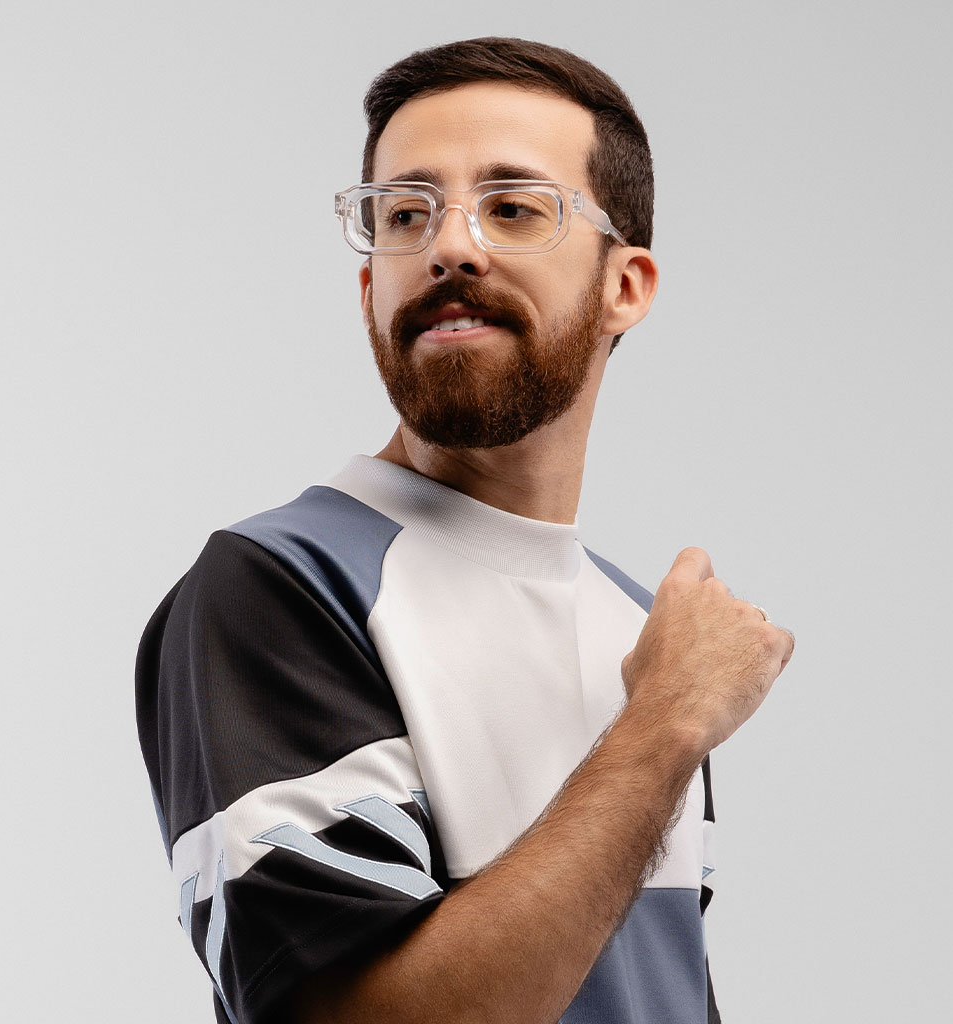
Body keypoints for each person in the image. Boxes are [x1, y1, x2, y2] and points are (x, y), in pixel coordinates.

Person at [135, 37, 796, 1024]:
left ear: (625, 286)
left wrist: (664, 712)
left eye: (514, 208)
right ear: (371, 290)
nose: (450, 246)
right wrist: (664, 727)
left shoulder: (644, 633)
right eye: (405, 214)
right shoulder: (286, 583)